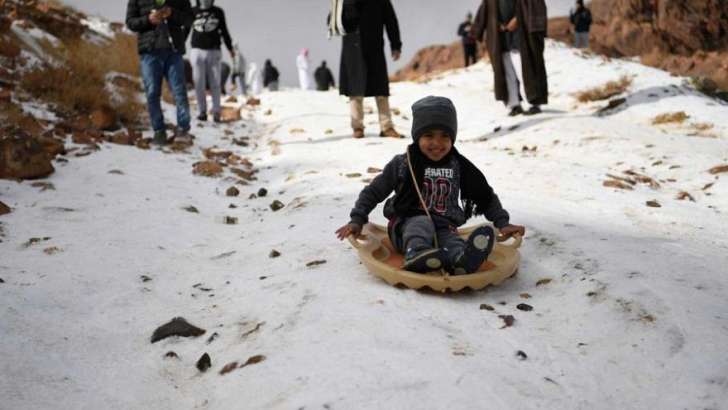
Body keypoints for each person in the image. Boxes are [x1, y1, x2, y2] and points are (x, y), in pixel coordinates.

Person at [336, 96, 525, 274]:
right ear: (417, 136)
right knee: (420, 223)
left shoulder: (458, 165)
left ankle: (461, 259)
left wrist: (503, 223)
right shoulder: (404, 163)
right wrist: (357, 219)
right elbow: (374, 192)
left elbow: (484, 196)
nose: (437, 142)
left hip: (444, 225)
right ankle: (416, 254)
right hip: (405, 226)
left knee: (452, 239)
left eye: (445, 136)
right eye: (428, 135)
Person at [126, 0, 193, 145]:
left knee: (179, 91)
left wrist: (172, 14)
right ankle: (159, 131)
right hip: (149, 53)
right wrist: (148, 20)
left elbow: (190, 19)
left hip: (173, 52)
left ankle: (183, 129)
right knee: (152, 93)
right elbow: (130, 22)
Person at [338, 0, 402, 139]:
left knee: (380, 87)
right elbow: (334, 23)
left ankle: (386, 127)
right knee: (355, 88)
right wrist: (348, 8)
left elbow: (390, 20)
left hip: (374, 47)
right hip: (353, 47)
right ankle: (357, 127)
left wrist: (395, 45)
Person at [190, 0, 234, 123]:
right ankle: (202, 112)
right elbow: (186, 30)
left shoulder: (218, 12)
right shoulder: (193, 11)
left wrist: (230, 48)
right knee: (199, 82)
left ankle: (216, 112)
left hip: (214, 51)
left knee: (215, 83)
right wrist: (178, 45)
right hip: (197, 50)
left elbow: (224, 31)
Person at [514, 0, 548, 115]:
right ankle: (534, 102)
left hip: (533, 30)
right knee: (530, 66)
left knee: (535, 65)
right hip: (527, 31)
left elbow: (537, 9)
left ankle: (536, 102)